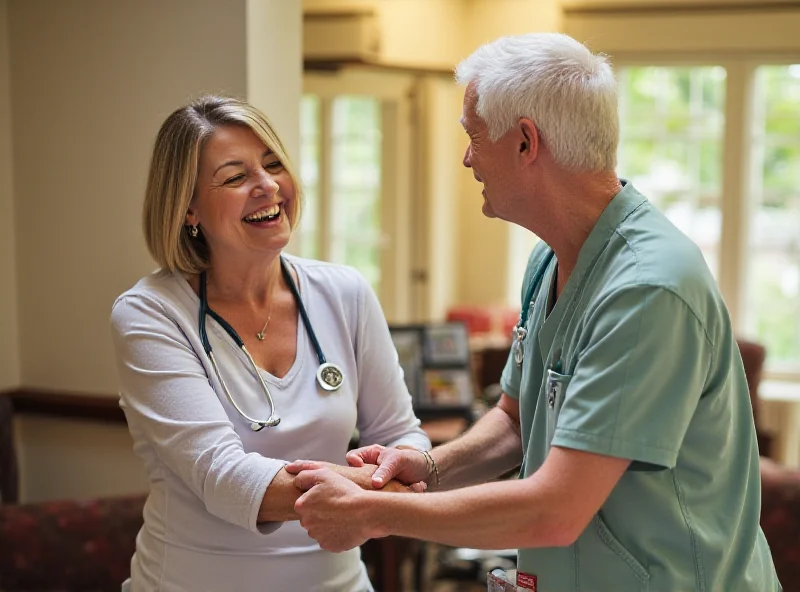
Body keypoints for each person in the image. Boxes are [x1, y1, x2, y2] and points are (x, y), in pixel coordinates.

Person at [288, 33, 781, 591]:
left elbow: (556, 510)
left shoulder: (647, 290)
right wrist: (429, 468)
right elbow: (517, 422)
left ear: (526, 142)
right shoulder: (550, 259)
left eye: (474, 137)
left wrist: (377, 514)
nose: (468, 158)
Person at [110, 95, 430, 592]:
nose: (267, 186)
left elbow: (400, 435)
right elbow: (224, 478)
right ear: (188, 207)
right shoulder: (149, 314)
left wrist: (398, 469)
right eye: (235, 177)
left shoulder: (344, 293)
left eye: (273, 163)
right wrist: (381, 485)